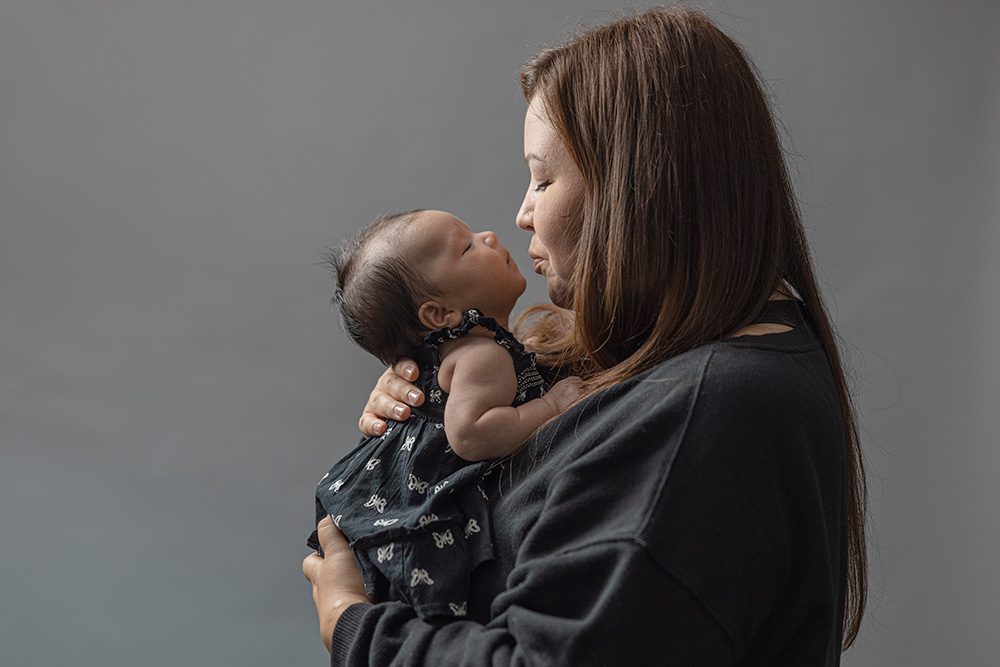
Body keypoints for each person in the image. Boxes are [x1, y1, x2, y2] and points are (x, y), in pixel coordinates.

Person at [302, 6, 867, 665]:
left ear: (641, 184)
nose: (520, 213)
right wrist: (422, 409)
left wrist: (354, 625)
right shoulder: (698, 360)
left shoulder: (708, 408)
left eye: (543, 177)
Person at [306, 209, 581, 621]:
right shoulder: (485, 355)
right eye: (467, 245)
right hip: (418, 523)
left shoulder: (468, 356)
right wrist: (553, 406)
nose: (489, 234)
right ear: (438, 315)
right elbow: (471, 435)